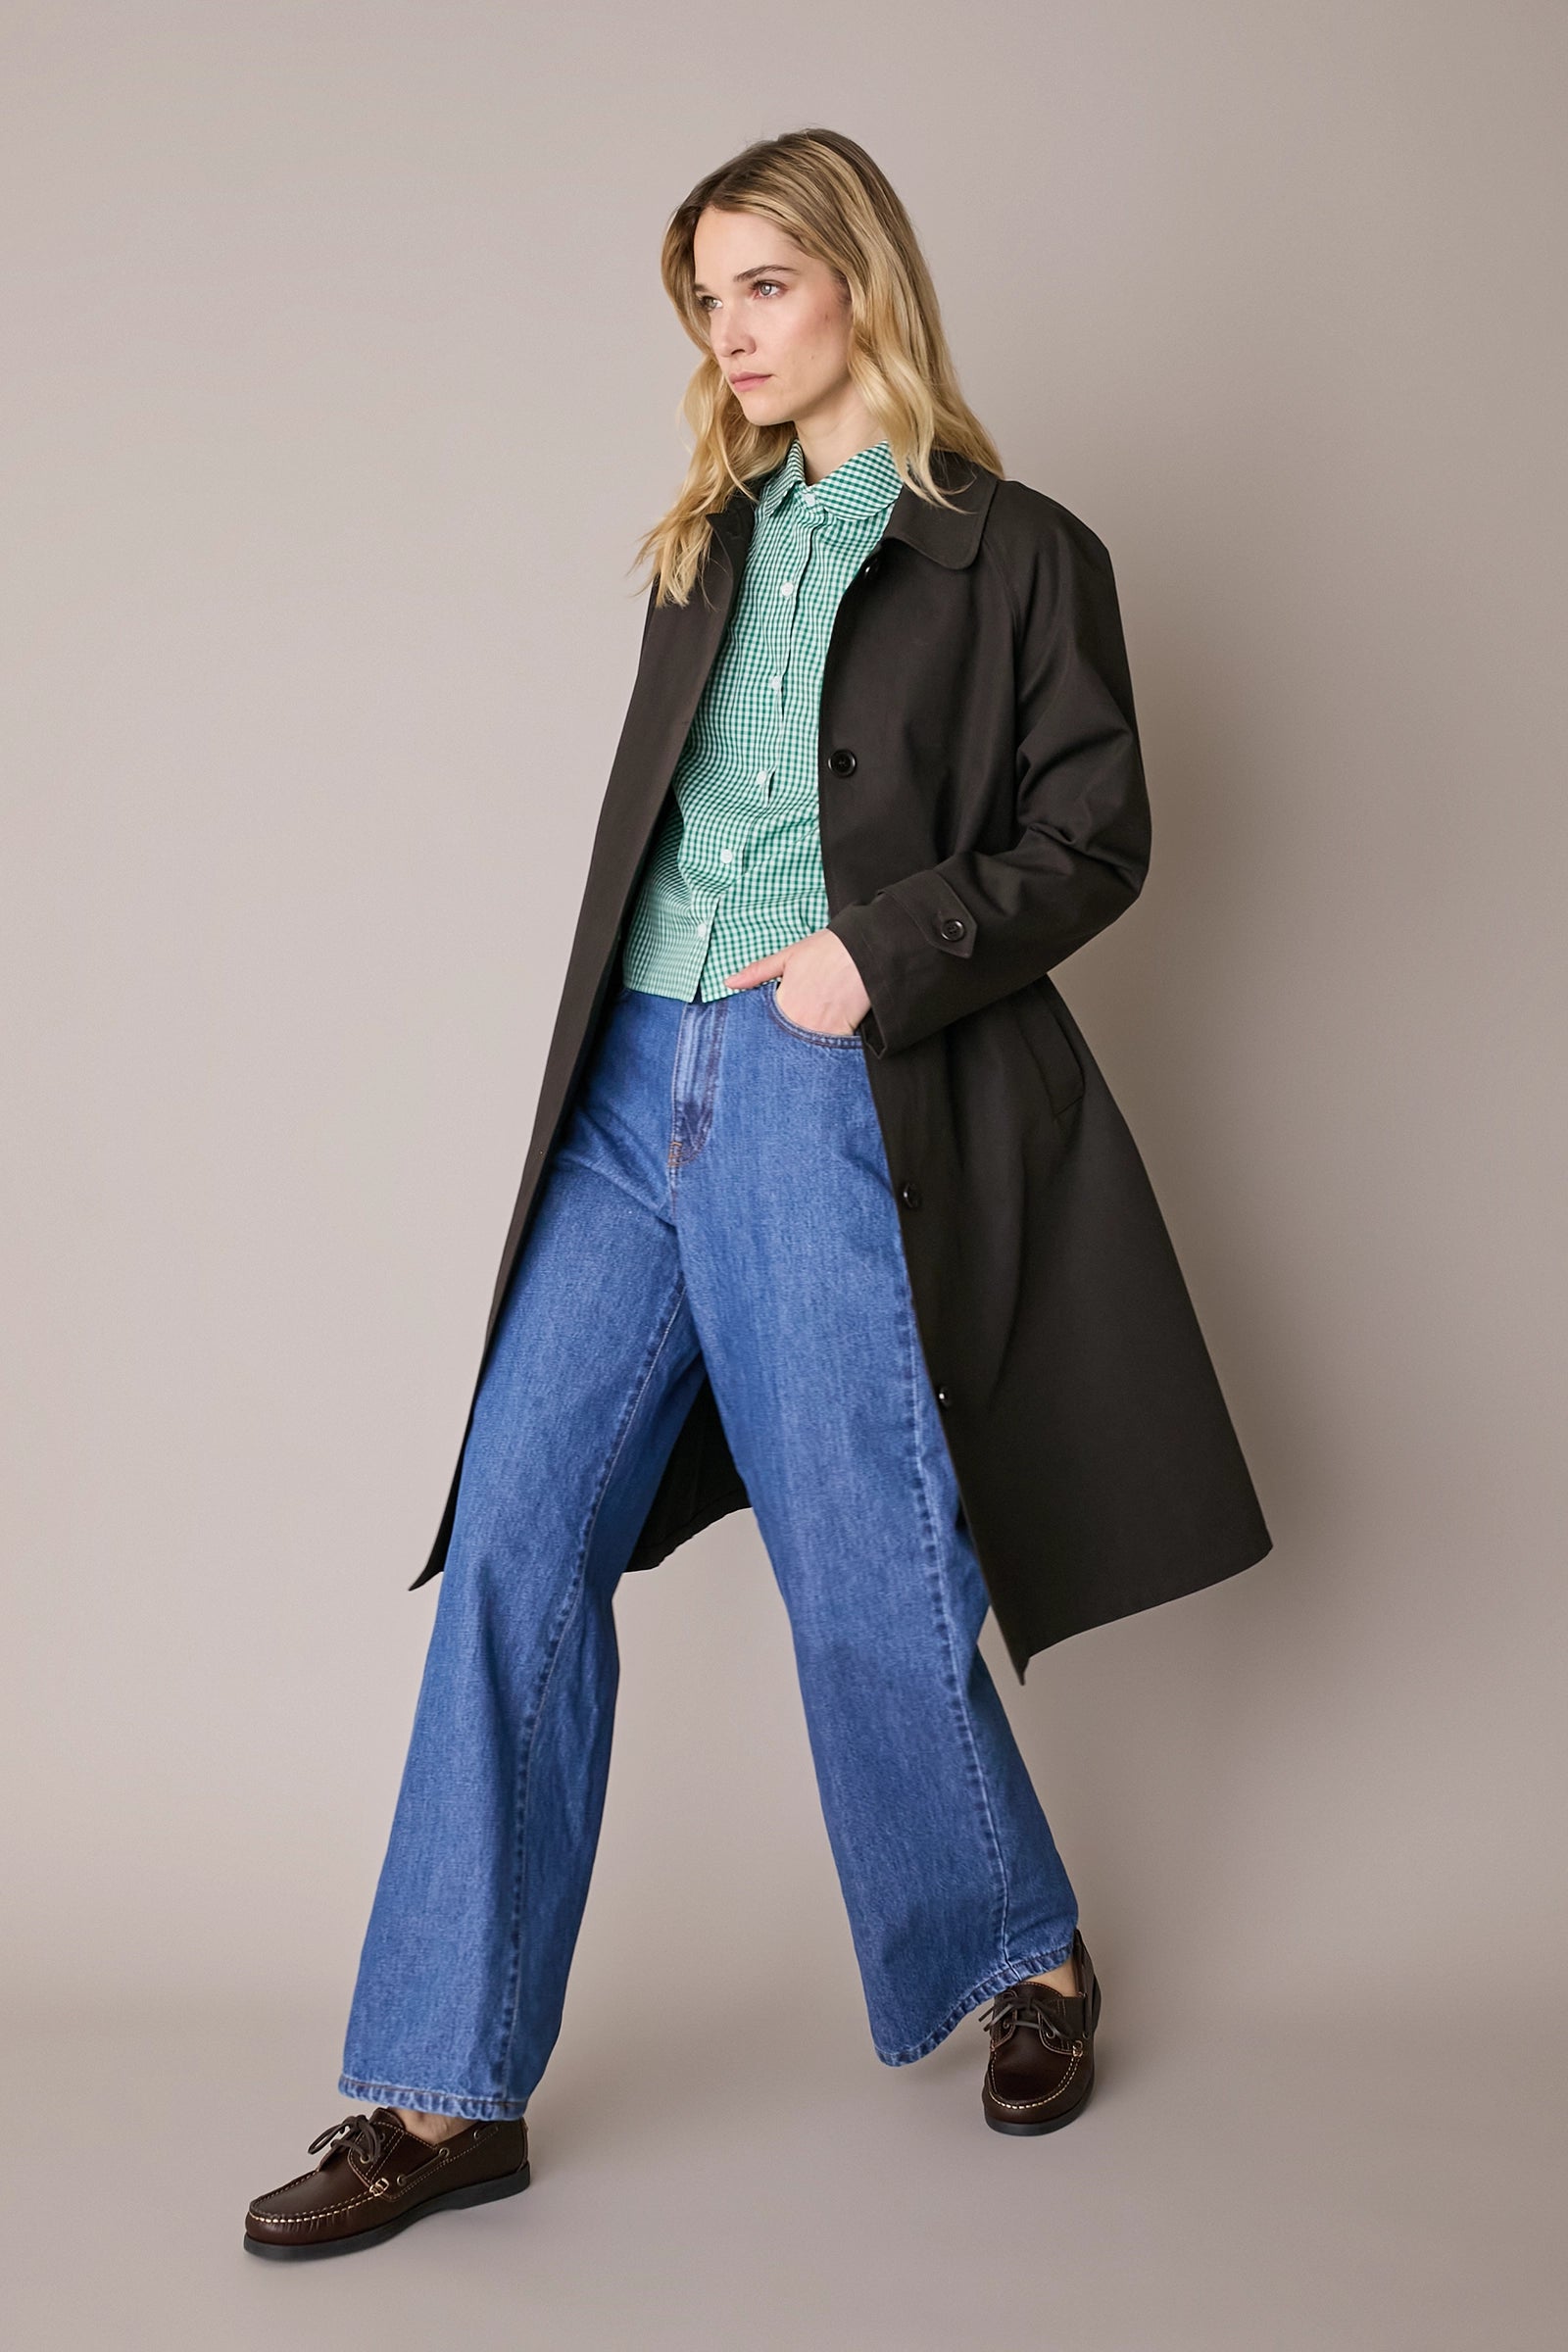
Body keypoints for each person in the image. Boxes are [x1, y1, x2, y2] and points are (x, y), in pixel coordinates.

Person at [245, 125, 1270, 2260]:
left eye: (763, 285)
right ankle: (442, 2091)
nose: (728, 329)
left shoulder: (1017, 555)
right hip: (635, 1081)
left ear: (859, 283)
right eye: (707, 298)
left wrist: (877, 955)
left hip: (823, 1074)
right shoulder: (698, 546)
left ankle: (1027, 1953)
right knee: (514, 1540)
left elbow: (1094, 839)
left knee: (860, 1558)